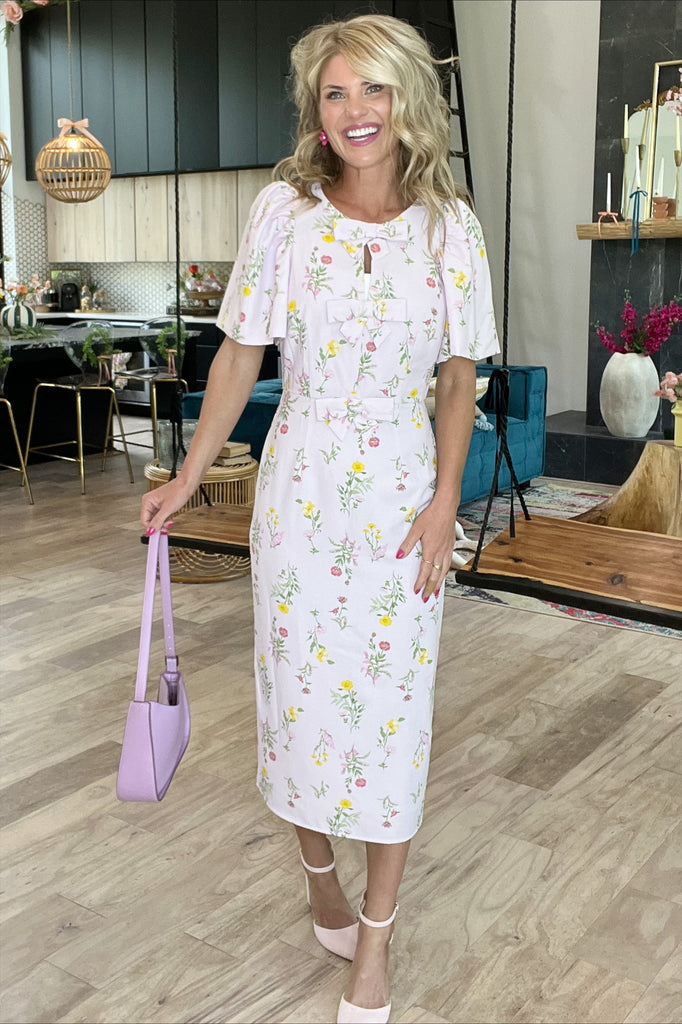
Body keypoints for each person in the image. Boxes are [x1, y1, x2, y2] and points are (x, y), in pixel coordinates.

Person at [141, 13, 499, 1023]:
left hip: (402, 504)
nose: (355, 110)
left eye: (373, 88)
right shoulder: (283, 213)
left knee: (393, 722)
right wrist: (189, 474)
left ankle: (375, 941)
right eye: (335, 93)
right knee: (296, 706)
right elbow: (239, 353)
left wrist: (445, 504)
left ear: (406, 99)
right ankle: (318, 879)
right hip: (298, 498)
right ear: (316, 110)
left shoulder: (451, 227)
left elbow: (459, 379)